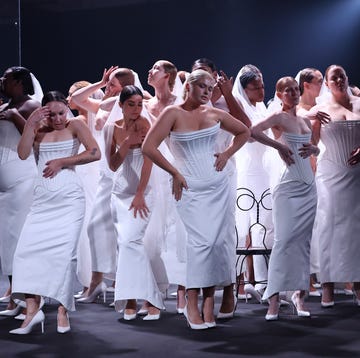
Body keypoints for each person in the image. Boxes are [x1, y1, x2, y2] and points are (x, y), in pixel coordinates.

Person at [142, 69, 250, 329]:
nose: (206, 92)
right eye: (201, 86)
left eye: (210, 88)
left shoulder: (214, 114)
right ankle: (192, 301)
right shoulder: (172, 113)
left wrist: (226, 153)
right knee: (200, 244)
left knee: (214, 244)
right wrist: (175, 172)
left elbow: (245, 132)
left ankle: (209, 303)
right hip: (188, 186)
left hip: (217, 186)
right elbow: (148, 147)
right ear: (188, 87)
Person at [10, 91, 100, 334]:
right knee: (25, 254)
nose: (59, 118)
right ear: (43, 112)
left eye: (62, 112)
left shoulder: (76, 125)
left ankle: (63, 310)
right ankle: (32, 313)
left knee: (64, 256)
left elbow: (95, 152)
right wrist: (29, 124)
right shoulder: (37, 129)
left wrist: (63, 161)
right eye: (53, 114)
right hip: (42, 201)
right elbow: (22, 153)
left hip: (70, 198)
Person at [251, 76, 319, 320]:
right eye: (287, 90)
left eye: (295, 89)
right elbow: (253, 131)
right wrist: (278, 146)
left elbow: (313, 147)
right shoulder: (278, 118)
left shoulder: (303, 120)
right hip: (288, 186)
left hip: (308, 186)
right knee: (283, 241)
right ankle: (273, 298)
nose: (293, 93)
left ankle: (299, 296)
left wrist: (315, 150)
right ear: (279, 94)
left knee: (303, 242)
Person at [71, 67, 135, 303]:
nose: (108, 89)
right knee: (95, 227)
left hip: (123, 172)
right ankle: (97, 281)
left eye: (112, 86)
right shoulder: (106, 105)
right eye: (108, 85)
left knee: (122, 231)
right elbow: (75, 99)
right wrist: (100, 82)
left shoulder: (138, 104)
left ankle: (120, 282)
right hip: (104, 174)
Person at [109, 85, 165, 320]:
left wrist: (141, 193)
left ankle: (151, 300)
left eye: (140, 103)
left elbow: (148, 162)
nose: (136, 108)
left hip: (142, 190)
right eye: (131, 104)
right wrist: (126, 142)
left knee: (131, 240)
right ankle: (132, 299)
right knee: (126, 244)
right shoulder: (113, 128)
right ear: (121, 105)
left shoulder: (145, 124)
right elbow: (112, 164)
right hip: (120, 191)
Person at [309, 65, 360, 307]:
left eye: (342, 75)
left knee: (356, 231)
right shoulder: (320, 109)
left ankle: (358, 283)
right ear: (327, 83)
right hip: (331, 174)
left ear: (347, 79)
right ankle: (327, 284)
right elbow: (313, 143)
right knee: (328, 226)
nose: (338, 79)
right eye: (333, 77)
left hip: (357, 175)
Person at [231, 64, 278, 303]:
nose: (261, 90)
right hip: (250, 170)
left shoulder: (261, 107)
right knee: (249, 224)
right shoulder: (240, 107)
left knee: (266, 224)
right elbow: (249, 135)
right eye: (255, 87)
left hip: (266, 168)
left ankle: (263, 280)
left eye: (262, 86)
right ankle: (244, 281)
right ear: (244, 88)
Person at [0, 67, 41, 316]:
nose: (1, 81)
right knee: (6, 241)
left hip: (22, 178)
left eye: (5, 78)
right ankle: (16, 296)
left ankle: (31, 300)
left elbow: (36, 137)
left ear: (18, 82)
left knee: (19, 239)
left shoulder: (30, 105)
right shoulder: (5, 106)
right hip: (5, 181)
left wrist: (14, 115)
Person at [295, 67, 324, 297]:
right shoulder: (298, 109)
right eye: (319, 81)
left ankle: (319, 273)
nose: (322, 86)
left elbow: (317, 141)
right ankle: (306, 277)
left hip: (323, 164)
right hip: (303, 166)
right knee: (306, 224)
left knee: (320, 221)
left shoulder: (321, 108)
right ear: (306, 84)